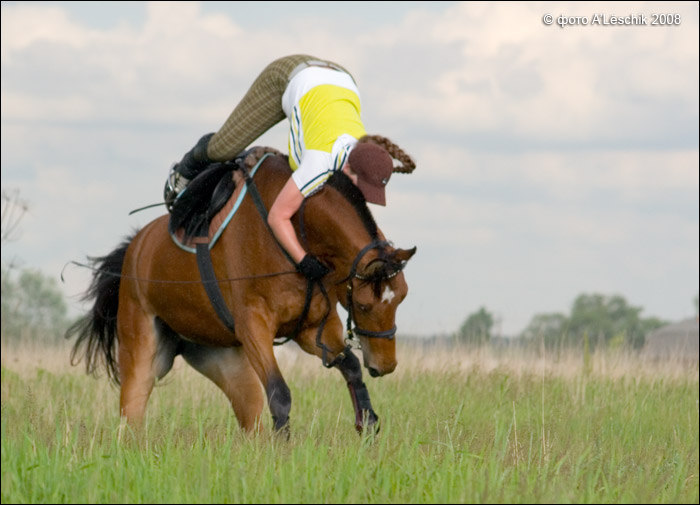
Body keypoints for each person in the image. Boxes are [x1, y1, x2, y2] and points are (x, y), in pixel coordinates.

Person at [164, 54, 415, 281]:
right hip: (287, 75)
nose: (362, 197)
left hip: (338, 79)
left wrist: (384, 254)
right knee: (223, 150)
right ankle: (182, 174)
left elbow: (361, 218)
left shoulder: (362, 153)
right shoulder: (320, 161)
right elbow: (277, 216)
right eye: (363, 189)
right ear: (349, 167)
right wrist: (303, 260)